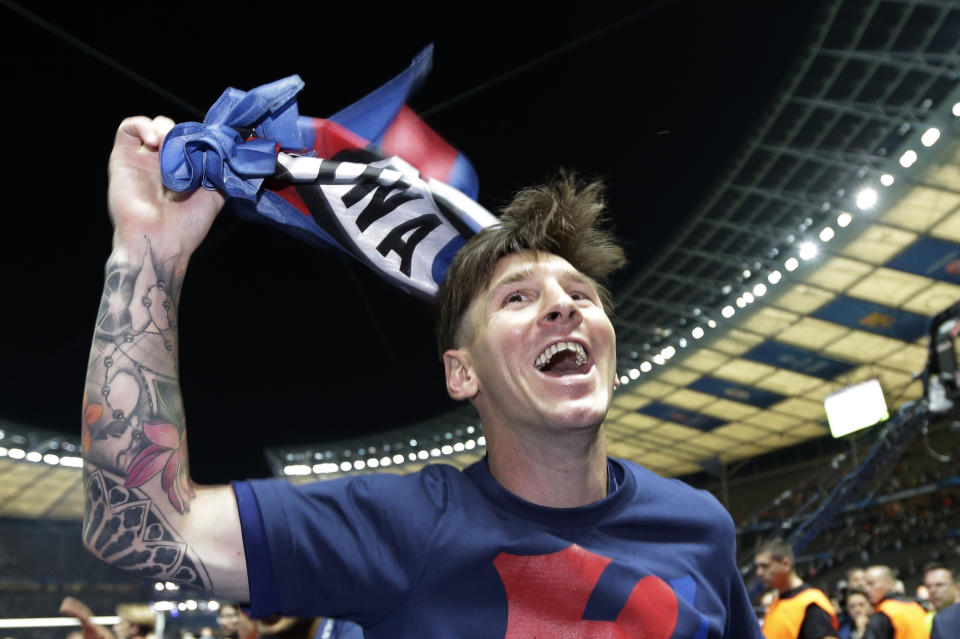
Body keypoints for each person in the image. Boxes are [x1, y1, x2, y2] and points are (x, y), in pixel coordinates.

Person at [79, 115, 763, 638]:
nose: (563, 305)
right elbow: (136, 523)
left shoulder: (700, 526)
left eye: (581, 295)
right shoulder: (401, 530)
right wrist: (145, 249)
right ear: (461, 373)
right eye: (518, 297)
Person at [754, 538, 838, 639]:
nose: (759, 573)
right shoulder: (777, 603)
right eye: (758, 567)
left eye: (765, 566)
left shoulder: (810, 603)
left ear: (785, 564)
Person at [862, 565, 929, 639]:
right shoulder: (916, 607)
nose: (866, 589)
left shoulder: (883, 614)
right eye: (865, 585)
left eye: (871, 584)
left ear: (888, 582)